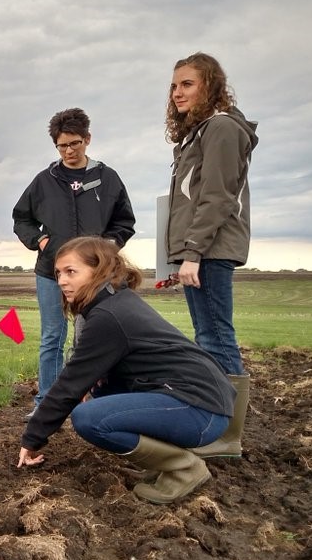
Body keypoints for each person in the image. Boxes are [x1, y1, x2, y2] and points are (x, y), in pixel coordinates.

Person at [17, 236, 236, 504]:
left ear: (99, 270)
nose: (62, 281)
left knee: (89, 418)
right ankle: (160, 460)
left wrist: (32, 438)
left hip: (202, 411)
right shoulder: (116, 302)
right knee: (101, 391)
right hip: (200, 401)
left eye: (71, 271)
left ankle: (184, 468)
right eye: (59, 273)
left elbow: (69, 384)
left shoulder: (108, 316)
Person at [12, 108, 135, 421]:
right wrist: (40, 241)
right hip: (51, 273)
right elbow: (21, 218)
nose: (68, 151)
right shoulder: (44, 181)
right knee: (52, 337)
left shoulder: (107, 178)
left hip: (96, 276)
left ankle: (94, 401)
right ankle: (46, 403)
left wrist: (108, 248)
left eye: (75, 144)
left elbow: (125, 221)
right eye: (62, 145)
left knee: (92, 338)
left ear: (88, 139)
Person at [165, 52, 257, 459]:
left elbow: (217, 198)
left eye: (187, 84)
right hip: (200, 250)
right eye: (174, 85)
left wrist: (194, 252)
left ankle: (228, 435)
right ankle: (214, 423)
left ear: (210, 86)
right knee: (206, 336)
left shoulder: (220, 128)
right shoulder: (198, 133)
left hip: (211, 250)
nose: (177, 92)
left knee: (217, 336)